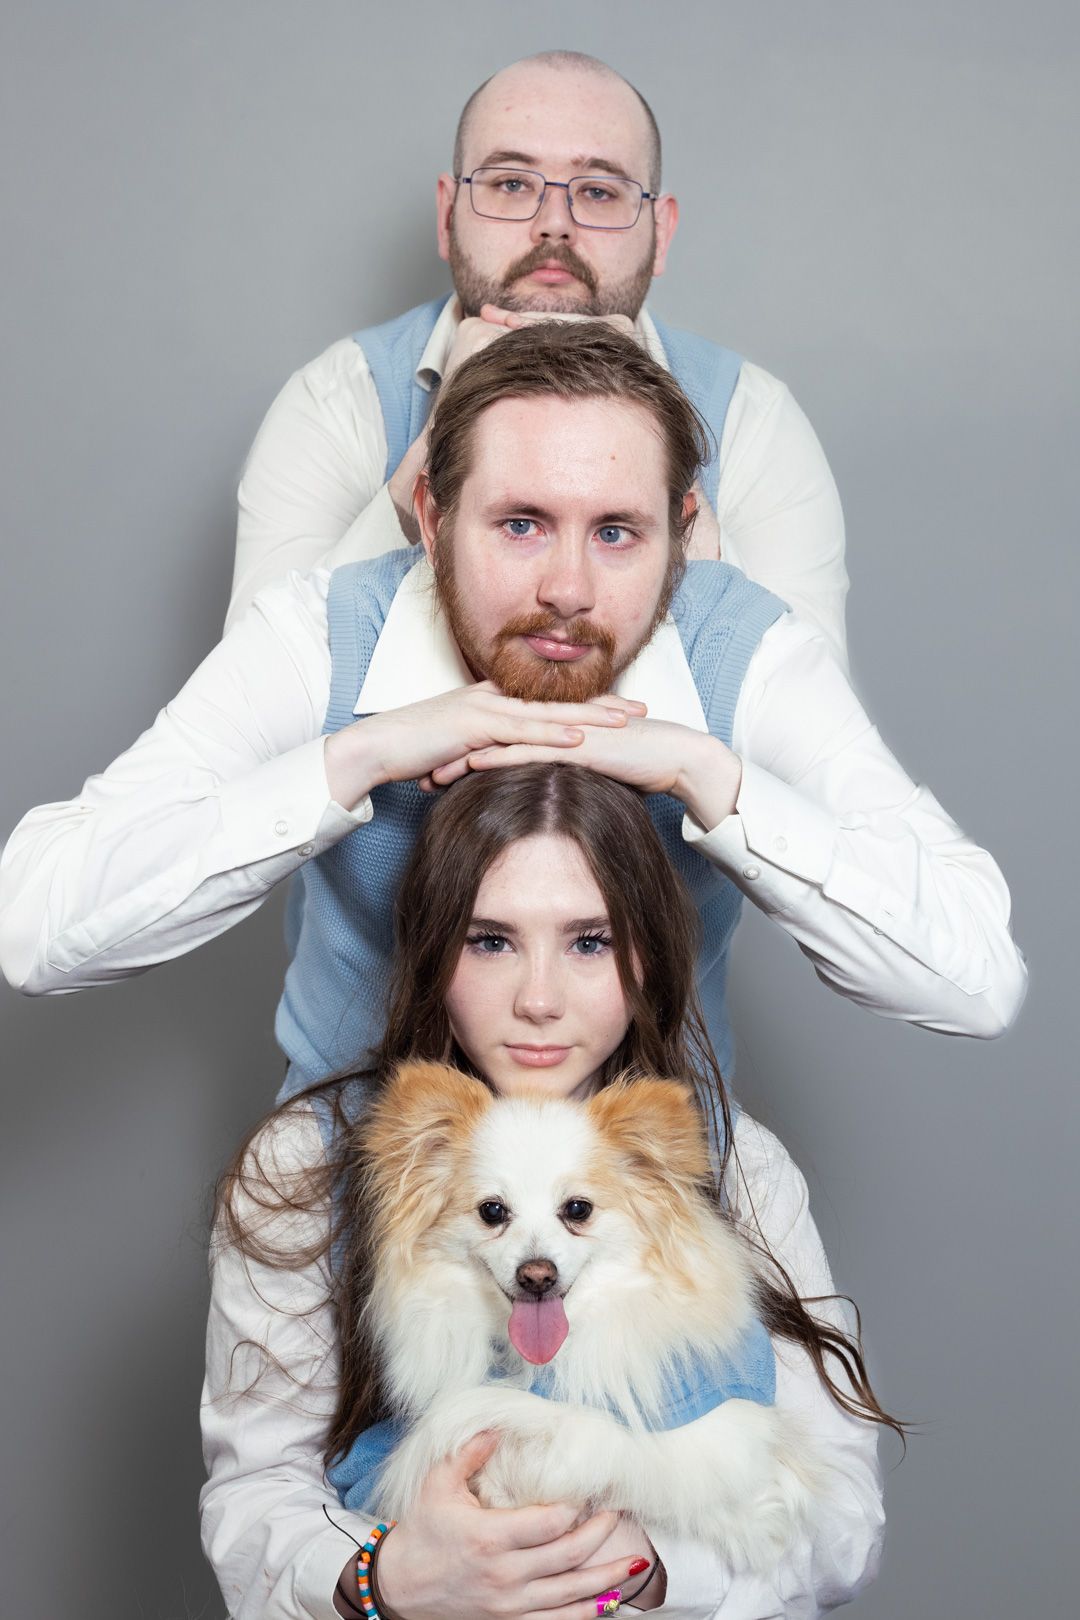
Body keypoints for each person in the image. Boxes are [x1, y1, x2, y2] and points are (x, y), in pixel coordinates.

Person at [0, 323, 1026, 1097]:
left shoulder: (743, 648)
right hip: (355, 1196)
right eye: (523, 524)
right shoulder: (317, 633)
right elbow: (36, 926)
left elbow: (976, 980)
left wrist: (713, 779)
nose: (569, 589)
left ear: (682, 531)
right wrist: (357, 757)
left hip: (653, 1213)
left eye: (618, 532)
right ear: (436, 518)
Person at [202, 763, 894, 1620]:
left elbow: (844, 1531)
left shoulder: (738, 1166)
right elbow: (253, 1501)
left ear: (646, 955)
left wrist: (652, 1571)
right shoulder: (306, 1169)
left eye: (588, 941)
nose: (538, 1000)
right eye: (491, 940)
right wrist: (391, 1578)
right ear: (432, 950)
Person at [227, 50, 850, 666]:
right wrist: (433, 444)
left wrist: (654, 427)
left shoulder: (752, 417)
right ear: (448, 217)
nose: (554, 225)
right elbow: (253, 693)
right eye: (511, 183)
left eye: (600, 191)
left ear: (660, 233)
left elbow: (810, 721)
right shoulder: (339, 400)